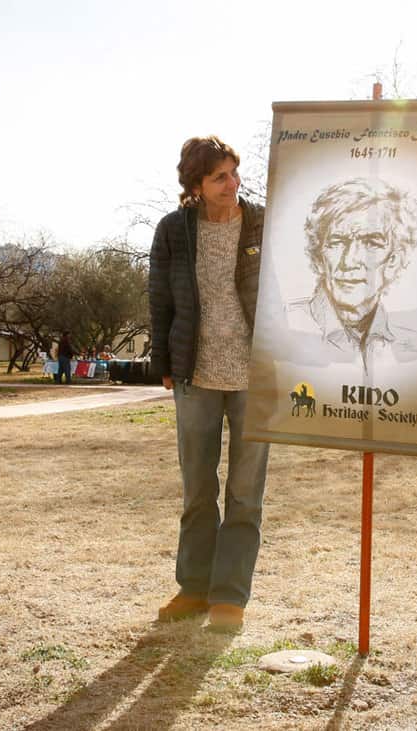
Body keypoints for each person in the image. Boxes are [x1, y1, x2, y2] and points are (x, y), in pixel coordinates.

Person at [148, 135, 269, 630]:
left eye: (235, 173)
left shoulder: (262, 221)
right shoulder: (174, 230)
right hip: (194, 374)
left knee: (245, 491)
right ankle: (193, 588)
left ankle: (230, 595)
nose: (232, 184)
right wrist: (163, 360)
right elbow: (160, 298)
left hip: (254, 376)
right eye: (219, 176)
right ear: (195, 184)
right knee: (198, 487)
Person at [286, 178, 417, 373]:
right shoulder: (284, 328)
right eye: (337, 242)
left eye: (371, 243)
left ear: (393, 260)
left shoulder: (416, 347)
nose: (349, 261)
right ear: (319, 257)